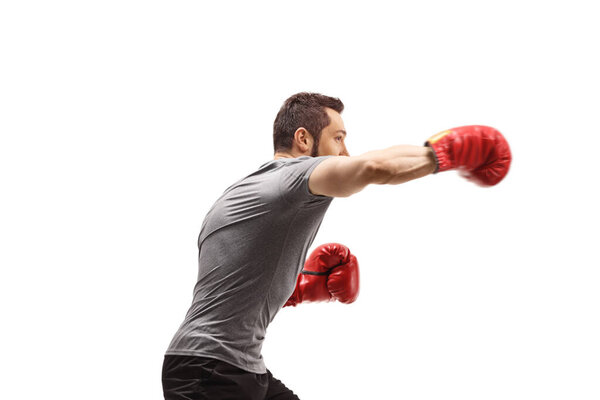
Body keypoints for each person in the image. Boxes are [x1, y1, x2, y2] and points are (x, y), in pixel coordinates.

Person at [162, 92, 512, 399]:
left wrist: (297, 289)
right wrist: (451, 152)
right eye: (338, 138)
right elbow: (374, 166)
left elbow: (229, 286)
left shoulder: (243, 191)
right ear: (303, 139)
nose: (345, 152)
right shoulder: (291, 178)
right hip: (209, 373)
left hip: (231, 366)